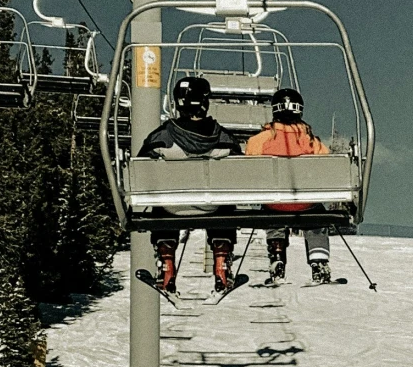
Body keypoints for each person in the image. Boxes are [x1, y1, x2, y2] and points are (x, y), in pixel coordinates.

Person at [135, 75, 239, 294]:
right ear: (205, 101)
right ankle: (221, 262)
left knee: (161, 201)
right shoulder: (223, 138)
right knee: (225, 201)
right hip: (212, 207)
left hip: (172, 207)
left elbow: (141, 166)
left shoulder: (162, 136)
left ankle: (166, 263)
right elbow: (240, 167)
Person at [245, 86, 333, 285]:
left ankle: (277, 257)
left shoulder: (260, 140)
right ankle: (319, 262)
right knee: (316, 219)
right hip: (305, 202)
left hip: (276, 202)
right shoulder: (310, 141)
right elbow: (327, 165)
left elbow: (250, 165)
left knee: (273, 212)